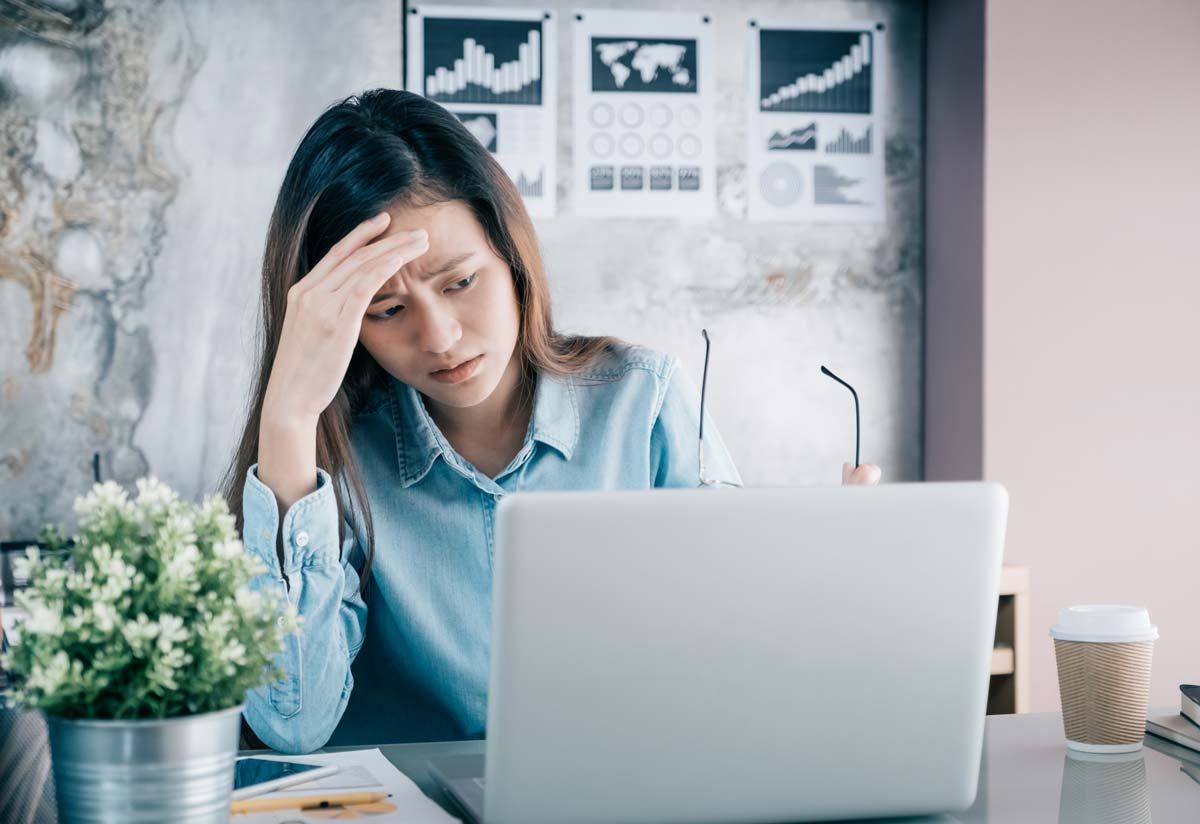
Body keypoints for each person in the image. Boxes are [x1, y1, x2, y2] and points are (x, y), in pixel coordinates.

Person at [222, 89, 881, 755]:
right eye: (387, 309)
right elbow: (291, 726)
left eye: (459, 283)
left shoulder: (642, 402)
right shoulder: (337, 455)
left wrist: (829, 590)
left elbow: (737, 661)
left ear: (511, 258)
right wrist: (290, 417)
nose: (441, 335)